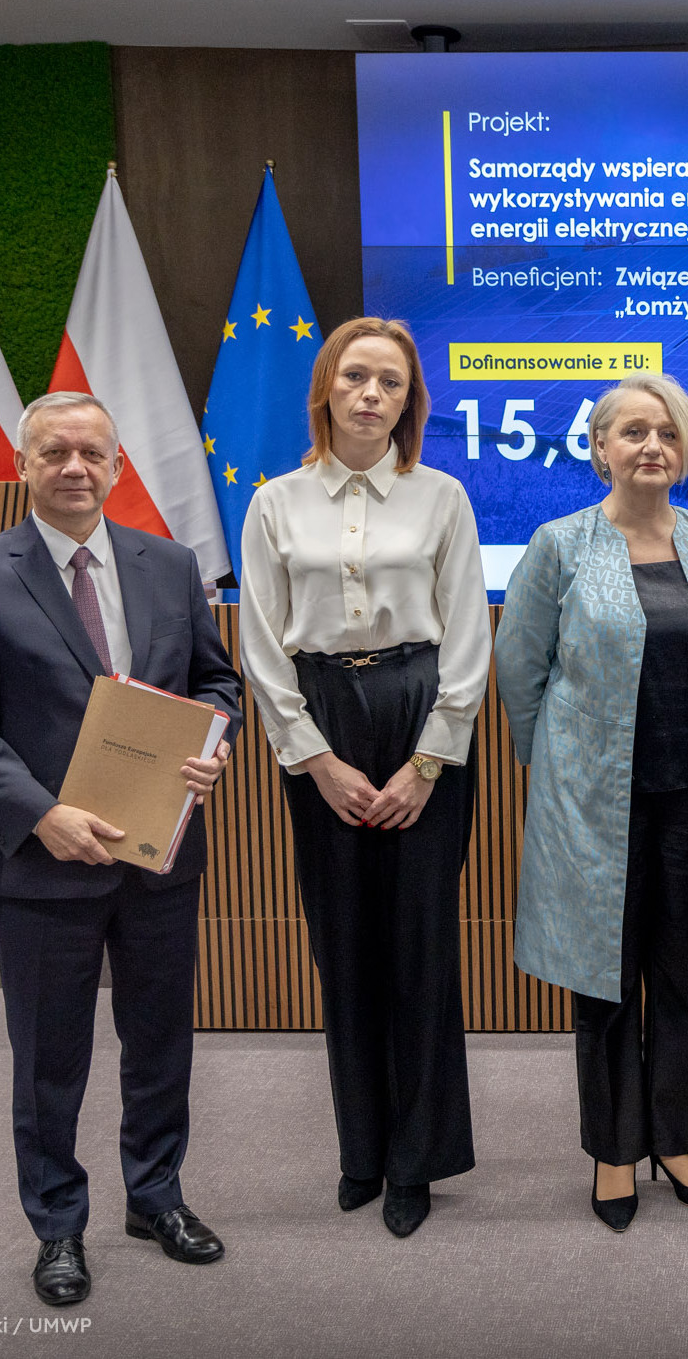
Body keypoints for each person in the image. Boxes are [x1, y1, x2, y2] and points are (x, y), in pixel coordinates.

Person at [0, 391, 240, 1306]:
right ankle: (58, 1223)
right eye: (54, 451)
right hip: (40, 865)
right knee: (49, 1058)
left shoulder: (173, 565)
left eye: (91, 452)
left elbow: (216, 681)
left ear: (114, 463)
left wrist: (210, 743)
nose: (74, 467)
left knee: (159, 1040)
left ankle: (156, 1197)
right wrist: (43, 812)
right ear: (23, 464)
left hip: (157, 857)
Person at [238, 317, 490, 1238]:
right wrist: (314, 758)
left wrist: (429, 759)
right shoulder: (275, 503)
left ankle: (418, 1157)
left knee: (419, 943)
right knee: (342, 942)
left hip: (422, 712)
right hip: (322, 718)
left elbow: (467, 638)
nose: (372, 393)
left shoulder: (443, 497)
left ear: (409, 401)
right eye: (356, 377)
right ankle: (364, 1149)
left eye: (390, 381)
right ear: (327, 390)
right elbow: (261, 644)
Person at [494, 372, 688, 1232]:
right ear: (599, 446)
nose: (651, 446)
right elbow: (519, 671)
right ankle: (613, 1147)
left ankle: (674, 1138)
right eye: (632, 432)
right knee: (603, 984)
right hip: (593, 812)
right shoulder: (559, 544)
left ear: (685, 448)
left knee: (681, 980)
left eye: (667, 432)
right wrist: (563, 775)